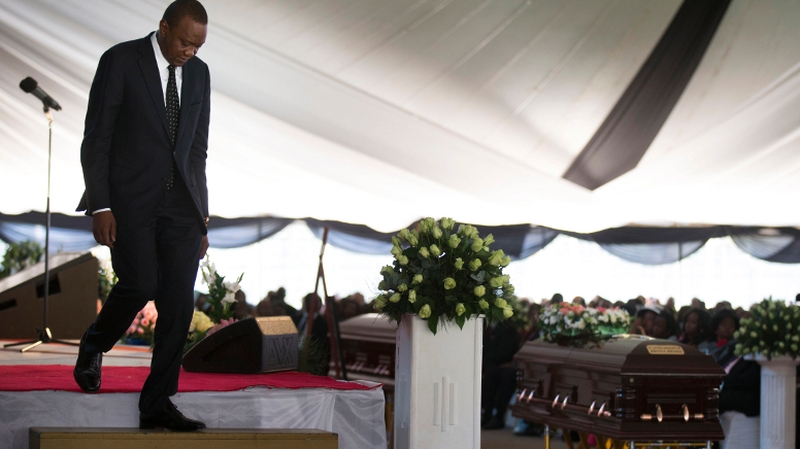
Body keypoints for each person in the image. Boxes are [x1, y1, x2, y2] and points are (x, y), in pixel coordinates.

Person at [73, 0, 211, 432]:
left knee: (179, 301)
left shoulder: (200, 74)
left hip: (182, 205)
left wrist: (202, 216)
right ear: (164, 27)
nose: (190, 52)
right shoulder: (120, 60)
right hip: (129, 201)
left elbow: (197, 150)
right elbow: (97, 138)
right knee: (141, 283)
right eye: (185, 42)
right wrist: (101, 205)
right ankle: (94, 343)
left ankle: (157, 403)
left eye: (198, 46)